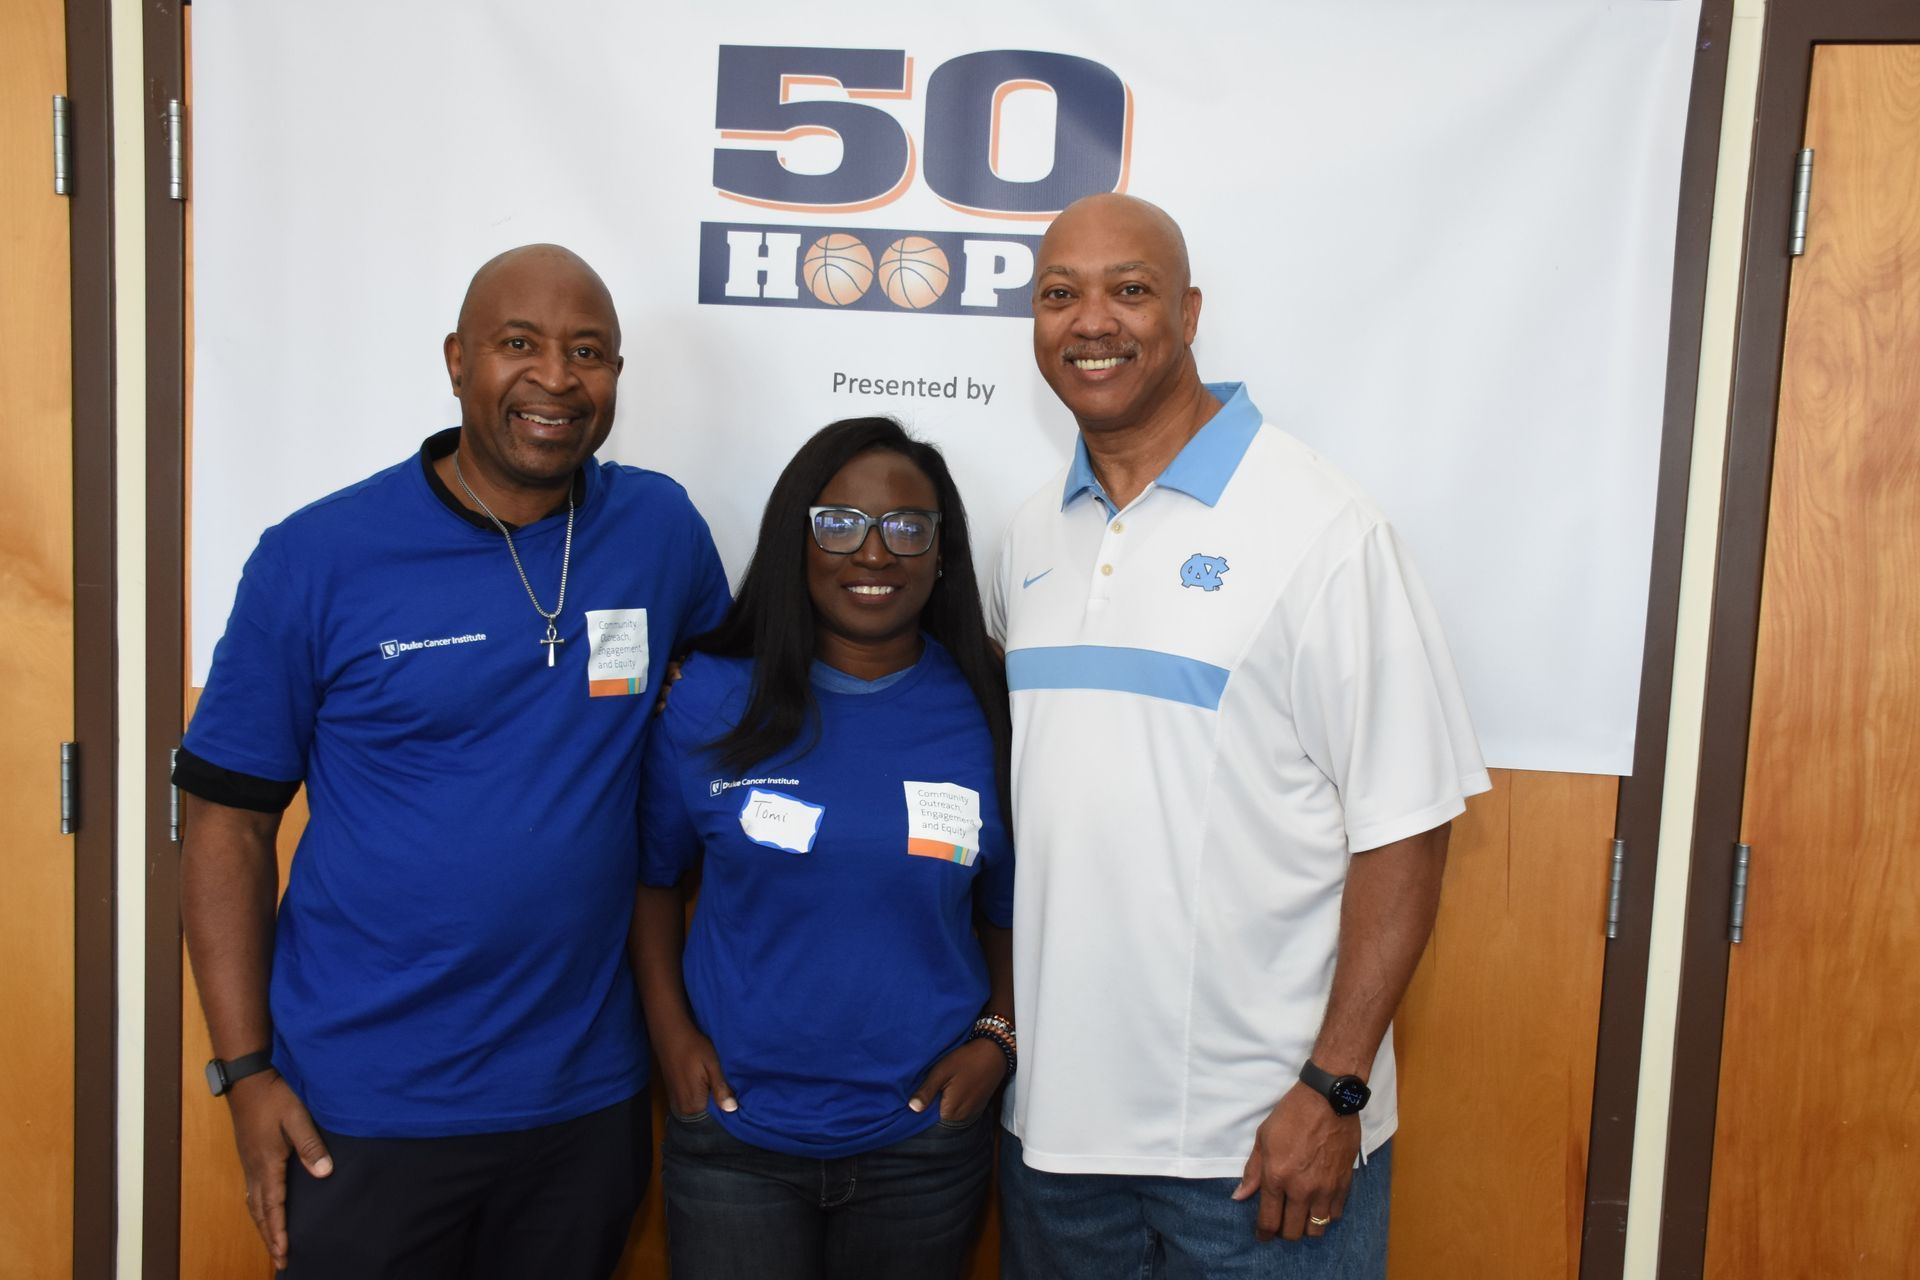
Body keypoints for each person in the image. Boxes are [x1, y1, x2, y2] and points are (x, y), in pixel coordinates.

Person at [175, 244, 730, 1278]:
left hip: (584, 1102)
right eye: (519, 344)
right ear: (456, 361)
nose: (557, 378)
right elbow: (228, 824)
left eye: (590, 352)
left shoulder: (659, 530)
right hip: (364, 1106)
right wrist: (245, 1068)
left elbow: (736, 706)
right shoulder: (318, 556)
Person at [988, 194, 1491, 1278]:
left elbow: (1406, 828)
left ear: (1191, 311)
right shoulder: (1030, 533)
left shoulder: (1322, 528)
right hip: (1058, 1144)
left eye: (1130, 290)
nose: (1092, 321)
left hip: (1264, 1146)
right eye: (1058, 294)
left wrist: (1335, 1087)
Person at [632, 416, 1015, 1280]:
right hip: (735, 1138)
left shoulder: (991, 709)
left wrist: (998, 1039)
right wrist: (670, 1034)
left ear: (942, 551)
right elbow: (652, 882)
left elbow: (1016, 909)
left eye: (907, 528)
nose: (873, 553)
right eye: (838, 523)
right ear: (794, 541)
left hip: (923, 1144)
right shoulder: (707, 702)